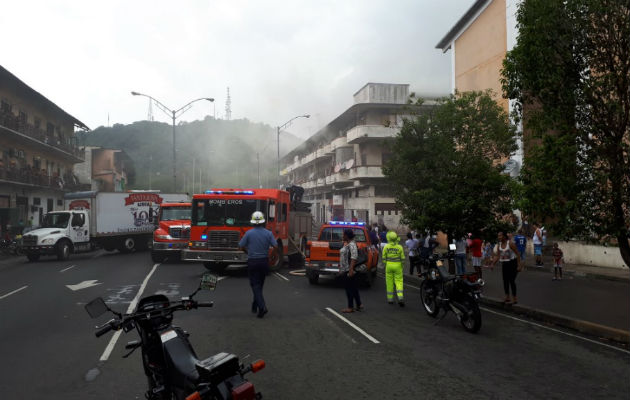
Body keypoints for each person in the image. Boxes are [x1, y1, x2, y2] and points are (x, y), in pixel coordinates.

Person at [238, 211, 278, 318]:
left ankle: (262, 307)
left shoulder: (248, 233)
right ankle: (255, 305)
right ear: (262, 222)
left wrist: (248, 252)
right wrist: (271, 256)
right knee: (259, 285)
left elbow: (241, 246)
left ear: (253, 222)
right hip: (264, 261)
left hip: (253, 261)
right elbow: (276, 246)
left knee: (255, 285)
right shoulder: (268, 233)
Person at [491, 231, 522, 304]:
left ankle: (514, 298)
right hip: (504, 264)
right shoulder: (499, 245)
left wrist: (519, 265)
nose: (499, 237)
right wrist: (493, 264)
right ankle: (507, 297)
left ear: (504, 236)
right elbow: (498, 256)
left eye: (500, 236)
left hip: (512, 263)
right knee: (505, 281)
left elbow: (517, 254)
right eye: (498, 236)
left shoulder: (510, 244)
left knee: (511, 281)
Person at [339, 228, 362, 313]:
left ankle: (350, 307)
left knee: (349, 289)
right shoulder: (348, 244)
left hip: (348, 270)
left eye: (343, 234)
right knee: (353, 288)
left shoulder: (352, 244)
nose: (342, 236)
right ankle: (359, 304)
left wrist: (351, 269)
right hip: (346, 269)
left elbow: (354, 257)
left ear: (346, 236)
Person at [383, 231, 405, 306]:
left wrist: (385, 264)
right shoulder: (400, 247)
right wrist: (402, 266)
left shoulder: (386, 246)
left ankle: (390, 299)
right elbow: (403, 258)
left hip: (388, 266)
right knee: (399, 282)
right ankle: (400, 297)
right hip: (398, 266)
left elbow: (383, 258)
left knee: (389, 283)